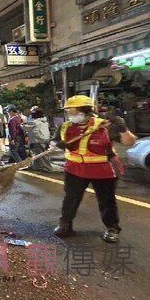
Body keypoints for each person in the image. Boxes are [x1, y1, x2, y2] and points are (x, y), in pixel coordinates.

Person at [52, 95, 137, 243]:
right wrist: (55, 145)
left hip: (102, 171)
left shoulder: (105, 125)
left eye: (73, 111)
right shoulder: (65, 126)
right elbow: (54, 141)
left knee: (107, 201)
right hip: (74, 170)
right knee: (70, 199)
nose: (70, 115)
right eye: (68, 112)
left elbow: (129, 142)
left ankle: (112, 228)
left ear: (86, 111)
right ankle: (65, 224)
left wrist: (123, 129)